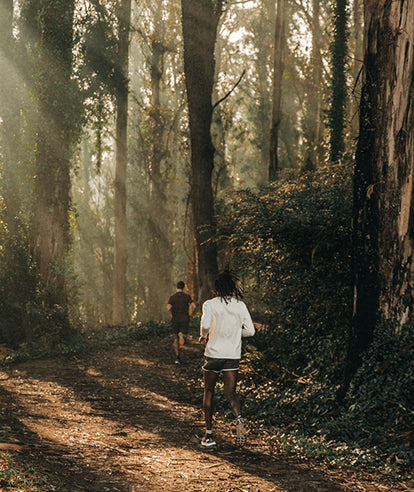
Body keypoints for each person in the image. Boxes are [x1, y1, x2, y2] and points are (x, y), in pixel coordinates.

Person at [199, 270, 255, 447]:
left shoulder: (210, 304)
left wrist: (204, 336)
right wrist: (236, 334)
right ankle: (239, 418)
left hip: (214, 354)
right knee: (231, 394)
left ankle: (208, 436)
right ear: (232, 288)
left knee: (209, 390)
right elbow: (251, 331)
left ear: (216, 289)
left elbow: (206, 325)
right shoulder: (240, 305)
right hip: (232, 355)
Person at [167, 281, 196, 364]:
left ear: (176, 287)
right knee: (183, 335)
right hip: (184, 319)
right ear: (183, 287)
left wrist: (173, 311)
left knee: (175, 338)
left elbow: (168, 308)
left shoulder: (172, 297)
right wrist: (191, 314)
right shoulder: (187, 297)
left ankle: (177, 357)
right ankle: (182, 335)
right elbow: (194, 306)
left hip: (175, 319)